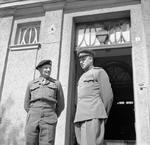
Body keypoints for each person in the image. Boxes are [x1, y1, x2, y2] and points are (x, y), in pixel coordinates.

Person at [74, 49, 113, 145]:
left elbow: (108, 97)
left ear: (91, 59)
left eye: (84, 59)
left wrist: (102, 114)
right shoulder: (82, 77)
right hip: (80, 116)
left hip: (93, 115)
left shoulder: (98, 72)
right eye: (80, 60)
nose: (81, 62)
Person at [24, 59, 64, 145]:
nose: (48, 70)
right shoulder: (31, 84)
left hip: (49, 116)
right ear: (40, 69)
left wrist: (52, 114)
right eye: (46, 68)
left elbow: (61, 104)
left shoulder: (56, 84)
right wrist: (33, 112)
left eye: (50, 68)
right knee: (30, 141)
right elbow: (26, 104)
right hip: (33, 116)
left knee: (47, 142)